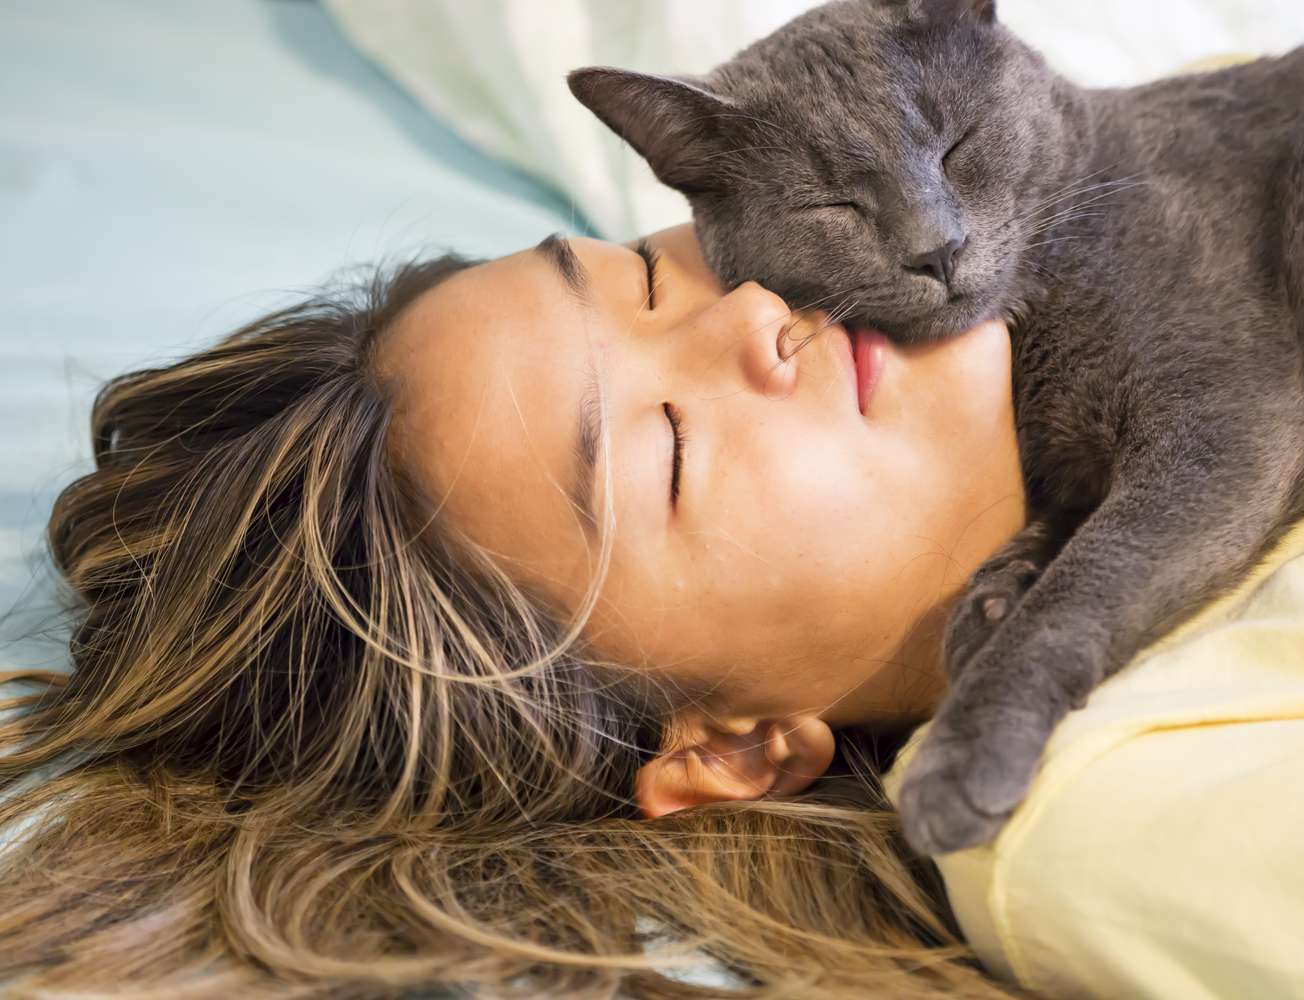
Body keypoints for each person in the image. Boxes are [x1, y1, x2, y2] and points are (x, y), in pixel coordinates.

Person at [0, 223, 1028, 998]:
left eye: (649, 276)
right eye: (670, 447)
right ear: (735, 752)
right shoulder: (1113, 837)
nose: (754, 310)